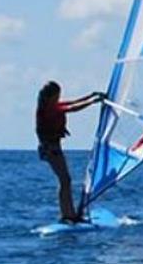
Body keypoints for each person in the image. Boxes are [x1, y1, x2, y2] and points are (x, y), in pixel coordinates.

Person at [35, 81, 104, 223]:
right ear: (51, 96)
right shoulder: (48, 109)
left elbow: (72, 102)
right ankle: (67, 215)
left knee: (65, 180)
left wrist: (90, 96)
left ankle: (69, 213)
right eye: (57, 95)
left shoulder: (52, 105)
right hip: (50, 149)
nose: (59, 98)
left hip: (53, 148)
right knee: (65, 180)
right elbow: (72, 108)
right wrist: (92, 102)